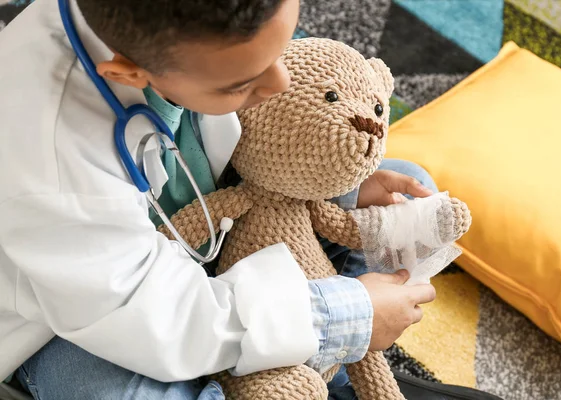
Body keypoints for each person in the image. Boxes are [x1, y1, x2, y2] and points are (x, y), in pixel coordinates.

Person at [0, 0, 441, 399]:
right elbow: (155, 315)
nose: (280, 82)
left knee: (406, 188)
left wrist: (327, 185)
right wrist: (339, 316)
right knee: (105, 388)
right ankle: (278, 381)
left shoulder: (183, 46)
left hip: (210, 236)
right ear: (130, 73)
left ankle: (304, 367)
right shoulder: (53, 162)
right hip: (76, 319)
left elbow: (238, 137)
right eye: (242, 83)